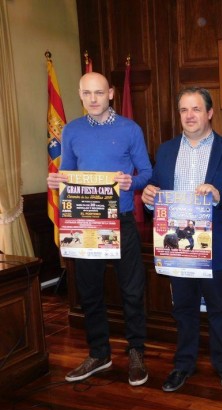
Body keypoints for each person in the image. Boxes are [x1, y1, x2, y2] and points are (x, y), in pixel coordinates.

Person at [47, 72, 152, 386]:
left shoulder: (130, 129)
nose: (93, 99)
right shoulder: (71, 131)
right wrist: (57, 182)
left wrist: (131, 181)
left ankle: (136, 352)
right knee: (90, 292)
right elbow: (67, 175)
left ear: (111, 94)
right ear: (80, 95)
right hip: (86, 223)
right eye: (87, 93)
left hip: (121, 222)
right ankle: (99, 353)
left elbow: (147, 171)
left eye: (99, 92)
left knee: (132, 291)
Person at [142, 87, 222, 393]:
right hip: (178, 249)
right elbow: (156, 190)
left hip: (216, 247)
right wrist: (149, 197)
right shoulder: (166, 150)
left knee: (219, 310)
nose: (190, 116)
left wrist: (218, 195)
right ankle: (183, 364)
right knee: (183, 309)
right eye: (184, 110)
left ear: (210, 113)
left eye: (196, 109)